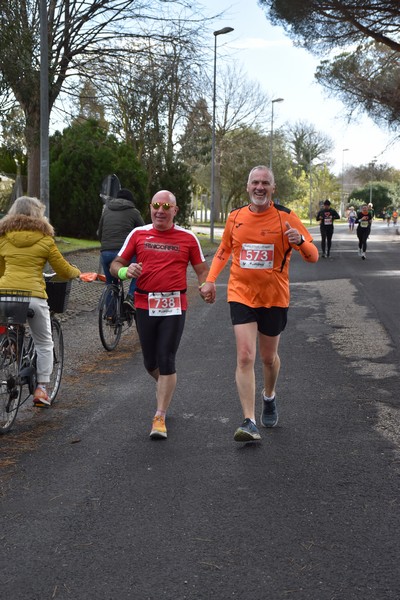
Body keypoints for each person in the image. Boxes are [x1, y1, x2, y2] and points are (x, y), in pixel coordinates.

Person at [200, 166, 319, 443]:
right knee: (245, 356)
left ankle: (269, 396)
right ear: (247, 186)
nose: (260, 187)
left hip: (274, 298)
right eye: (255, 182)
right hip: (241, 293)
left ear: (273, 188)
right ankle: (249, 421)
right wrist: (209, 280)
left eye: (265, 183)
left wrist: (299, 241)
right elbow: (224, 251)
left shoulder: (286, 217)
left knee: (268, 358)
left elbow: (312, 256)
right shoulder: (235, 217)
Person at [110, 190, 210, 440]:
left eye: (166, 206)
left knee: (166, 359)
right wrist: (125, 272)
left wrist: (206, 286)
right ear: (150, 208)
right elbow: (115, 265)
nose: (160, 210)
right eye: (156, 205)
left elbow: (202, 270)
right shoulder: (138, 234)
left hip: (174, 305)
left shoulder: (188, 238)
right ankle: (167, 384)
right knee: (150, 363)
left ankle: (160, 415)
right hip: (145, 304)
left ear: (175, 211)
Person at [0, 196, 80, 406]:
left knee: (9, 327)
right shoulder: (45, 240)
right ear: (37, 214)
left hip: (5, 294)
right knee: (44, 343)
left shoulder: (3, 237)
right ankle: (42, 389)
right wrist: (77, 272)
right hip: (33, 298)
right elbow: (63, 269)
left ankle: (8, 347)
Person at [97, 188, 144, 312]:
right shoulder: (134, 212)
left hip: (105, 252)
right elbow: (142, 233)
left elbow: (99, 232)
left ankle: (110, 315)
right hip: (124, 254)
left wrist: (105, 247)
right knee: (140, 267)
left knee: (110, 283)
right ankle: (131, 297)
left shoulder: (106, 210)